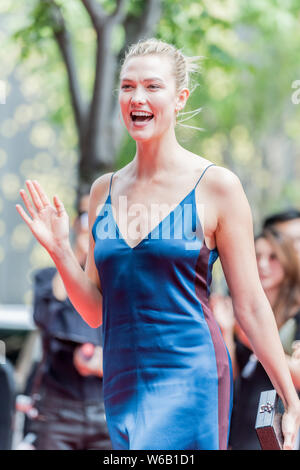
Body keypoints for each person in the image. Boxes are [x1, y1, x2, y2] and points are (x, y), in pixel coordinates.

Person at [16, 38, 300, 450]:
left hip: (191, 378)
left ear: (180, 98)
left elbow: (252, 306)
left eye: (152, 86)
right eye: (128, 87)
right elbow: (96, 311)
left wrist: (289, 398)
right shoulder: (103, 192)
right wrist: (60, 251)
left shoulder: (218, 187)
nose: (137, 97)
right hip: (122, 383)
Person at [21, 193, 112, 450]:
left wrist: (103, 362)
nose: (91, 223)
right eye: (86, 216)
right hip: (57, 409)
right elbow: (45, 318)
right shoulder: (49, 277)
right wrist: (70, 254)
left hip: (105, 408)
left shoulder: (115, 278)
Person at [212, 227, 300, 449]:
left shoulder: (296, 317)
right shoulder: (233, 310)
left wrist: (253, 337)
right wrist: (226, 332)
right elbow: (231, 375)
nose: (262, 265)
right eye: (256, 256)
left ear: (287, 262)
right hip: (239, 421)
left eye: (273, 258)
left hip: (282, 424)